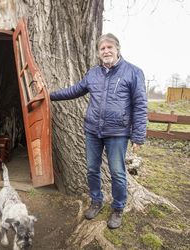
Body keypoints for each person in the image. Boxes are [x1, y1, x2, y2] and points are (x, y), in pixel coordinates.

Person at [50, 33, 147, 229]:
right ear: (98, 53)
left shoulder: (133, 72)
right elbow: (74, 90)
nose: (106, 51)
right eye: (102, 48)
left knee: (118, 172)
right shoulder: (93, 73)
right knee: (92, 169)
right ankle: (96, 201)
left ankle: (118, 208)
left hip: (118, 133)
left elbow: (140, 105)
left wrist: (138, 135)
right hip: (93, 131)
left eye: (110, 47)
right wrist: (49, 95)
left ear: (118, 49)